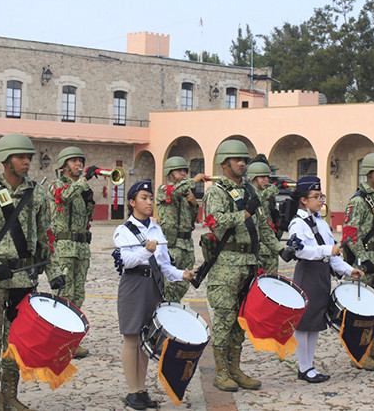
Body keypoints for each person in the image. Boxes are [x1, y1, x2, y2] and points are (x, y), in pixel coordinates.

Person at [0, 134, 65, 410]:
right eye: (21, 157)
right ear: (6, 160)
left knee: (15, 342)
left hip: (24, 279)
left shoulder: (37, 193)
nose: (26, 162)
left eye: (28, 157)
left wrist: (53, 270)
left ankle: (9, 394)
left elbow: (46, 237)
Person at [114, 180, 195, 410]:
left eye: (150, 198)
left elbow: (165, 265)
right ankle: (132, 391)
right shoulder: (124, 230)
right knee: (131, 338)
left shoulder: (156, 229)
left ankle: (141, 390)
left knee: (147, 340)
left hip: (154, 285)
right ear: (132, 203)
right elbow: (125, 261)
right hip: (134, 285)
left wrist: (183, 275)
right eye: (144, 198)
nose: (149, 202)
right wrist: (144, 250)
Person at [203, 139, 274, 392]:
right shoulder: (216, 192)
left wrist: (279, 249)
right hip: (225, 267)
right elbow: (215, 222)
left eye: (244, 160)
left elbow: (263, 225)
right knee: (224, 319)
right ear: (225, 164)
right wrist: (243, 214)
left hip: (247, 264)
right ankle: (220, 371)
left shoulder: (250, 191)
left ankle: (235, 368)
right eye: (237, 160)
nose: (243, 163)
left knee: (239, 321)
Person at [287, 176, 363, 383]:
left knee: (316, 322)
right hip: (307, 274)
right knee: (304, 323)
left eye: (321, 196)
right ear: (303, 200)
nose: (320, 200)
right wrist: (327, 250)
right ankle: (304, 367)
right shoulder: (297, 223)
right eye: (316, 196)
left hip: (321, 275)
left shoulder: (321, 223)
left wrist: (348, 270)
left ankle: (309, 365)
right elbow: (300, 251)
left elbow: (333, 254)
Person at [342, 152, 374, 371]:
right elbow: (349, 234)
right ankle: (359, 354)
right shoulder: (359, 201)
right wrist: (363, 259)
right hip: (365, 264)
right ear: (369, 173)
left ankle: (373, 349)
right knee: (361, 312)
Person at [48, 146, 96, 359]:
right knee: (65, 295)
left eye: (81, 160)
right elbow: (64, 197)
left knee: (78, 296)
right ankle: (57, 342)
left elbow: (87, 216)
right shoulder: (56, 186)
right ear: (64, 165)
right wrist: (83, 182)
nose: (79, 164)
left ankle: (71, 342)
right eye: (74, 161)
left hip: (81, 248)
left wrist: (89, 197)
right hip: (65, 248)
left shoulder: (80, 188)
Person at [156, 156, 204, 302]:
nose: (183, 174)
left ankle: (173, 305)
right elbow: (173, 192)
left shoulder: (186, 193)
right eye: (179, 171)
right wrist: (194, 181)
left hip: (186, 244)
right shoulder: (164, 189)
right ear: (170, 173)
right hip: (172, 244)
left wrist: (194, 204)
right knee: (169, 283)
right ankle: (165, 310)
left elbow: (193, 218)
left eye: (185, 171)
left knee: (184, 282)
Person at [247, 161, 284, 274]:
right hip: (258, 249)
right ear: (253, 178)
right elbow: (257, 199)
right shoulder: (248, 193)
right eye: (262, 177)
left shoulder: (266, 195)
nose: (266, 180)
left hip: (270, 246)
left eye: (267, 177)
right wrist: (273, 189)